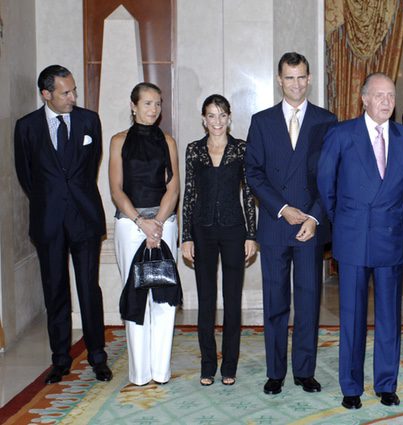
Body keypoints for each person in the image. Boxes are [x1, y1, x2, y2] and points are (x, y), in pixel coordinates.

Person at [317, 72, 403, 409]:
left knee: (389, 315)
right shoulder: (342, 134)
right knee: (353, 316)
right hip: (353, 235)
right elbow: (325, 184)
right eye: (379, 95)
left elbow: (401, 189)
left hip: (390, 235)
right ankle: (351, 386)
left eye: (390, 95)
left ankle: (386, 383)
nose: (386, 101)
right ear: (364, 98)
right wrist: (344, 221)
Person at [245, 52, 337, 395]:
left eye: (301, 77)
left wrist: (313, 216)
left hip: (309, 227)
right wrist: (282, 208)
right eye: (289, 78)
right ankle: (275, 372)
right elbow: (253, 172)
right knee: (275, 302)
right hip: (274, 225)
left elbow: (330, 176)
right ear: (279, 80)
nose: (295, 84)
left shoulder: (327, 121)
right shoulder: (262, 121)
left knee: (309, 299)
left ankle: (304, 370)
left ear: (309, 79)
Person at [14, 65, 112, 384]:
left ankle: (97, 355)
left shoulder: (89, 121)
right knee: (55, 290)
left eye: (74, 90)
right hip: (49, 221)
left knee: (88, 289)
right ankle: (60, 359)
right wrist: (52, 201)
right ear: (46, 94)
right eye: (65, 92)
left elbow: (91, 163)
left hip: (84, 218)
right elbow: (27, 176)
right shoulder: (26, 127)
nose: (73, 97)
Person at [182, 94, 257, 387]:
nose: (217, 121)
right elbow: (189, 194)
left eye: (222, 115)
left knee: (232, 299)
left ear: (229, 118)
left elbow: (249, 194)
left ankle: (230, 365)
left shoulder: (241, 149)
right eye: (211, 116)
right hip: (202, 231)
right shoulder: (194, 150)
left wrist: (252, 234)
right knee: (206, 300)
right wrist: (186, 236)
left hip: (234, 230)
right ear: (204, 119)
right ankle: (208, 364)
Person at [109, 82, 181, 386]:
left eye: (158, 103)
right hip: (129, 224)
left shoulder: (168, 140)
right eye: (148, 103)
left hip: (165, 223)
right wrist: (141, 221)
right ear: (133, 106)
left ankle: (160, 371)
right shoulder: (118, 141)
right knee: (136, 296)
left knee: (163, 298)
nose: (154, 110)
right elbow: (116, 189)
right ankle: (139, 374)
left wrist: (159, 223)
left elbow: (174, 186)